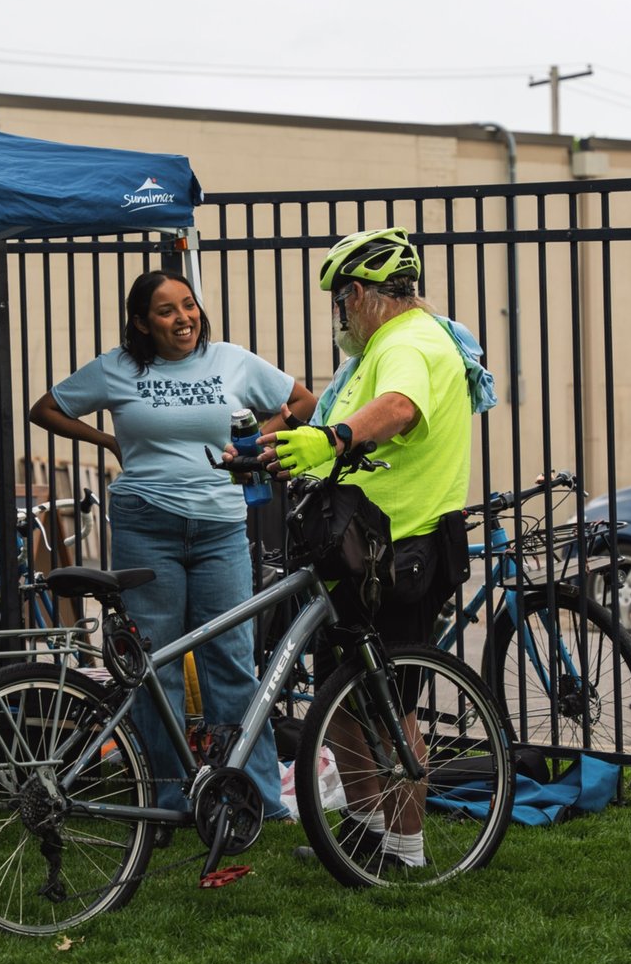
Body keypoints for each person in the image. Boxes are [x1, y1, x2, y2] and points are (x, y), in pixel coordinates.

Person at [30, 269, 315, 821]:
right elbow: (47, 408)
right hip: (145, 523)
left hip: (221, 526)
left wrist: (262, 439)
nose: (183, 318)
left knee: (231, 661)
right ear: (142, 322)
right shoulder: (117, 368)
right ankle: (166, 796)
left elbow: (301, 400)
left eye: (189, 305)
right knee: (153, 667)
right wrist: (108, 439)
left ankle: (254, 798)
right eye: (166, 310)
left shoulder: (231, 360)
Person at [264, 227, 474, 870]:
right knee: (343, 698)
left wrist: (335, 438)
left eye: (339, 304)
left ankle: (405, 851)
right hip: (363, 551)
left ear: (357, 295)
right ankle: (361, 837)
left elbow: (401, 408)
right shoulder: (383, 346)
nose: (339, 318)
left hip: (403, 553)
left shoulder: (409, 342)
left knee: (391, 706)